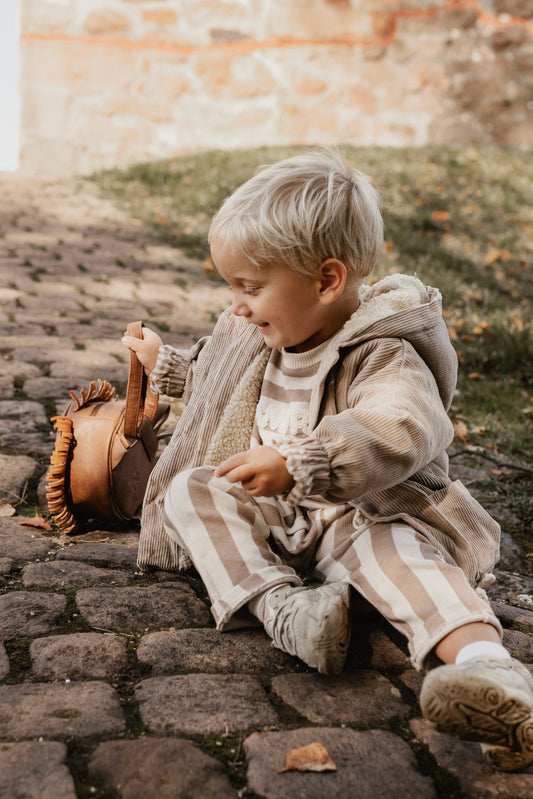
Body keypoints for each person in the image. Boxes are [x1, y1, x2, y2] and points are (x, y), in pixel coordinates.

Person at [122, 149, 533, 772]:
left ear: (326, 280)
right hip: (284, 521)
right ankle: (282, 607)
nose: (237, 305)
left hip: (357, 516)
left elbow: (398, 425)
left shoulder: (385, 351)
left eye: (251, 288)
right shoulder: (264, 334)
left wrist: (304, 462)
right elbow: (218, 378)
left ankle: (488, 673)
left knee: (403, 557)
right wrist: (167, 365)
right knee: (193, 490)